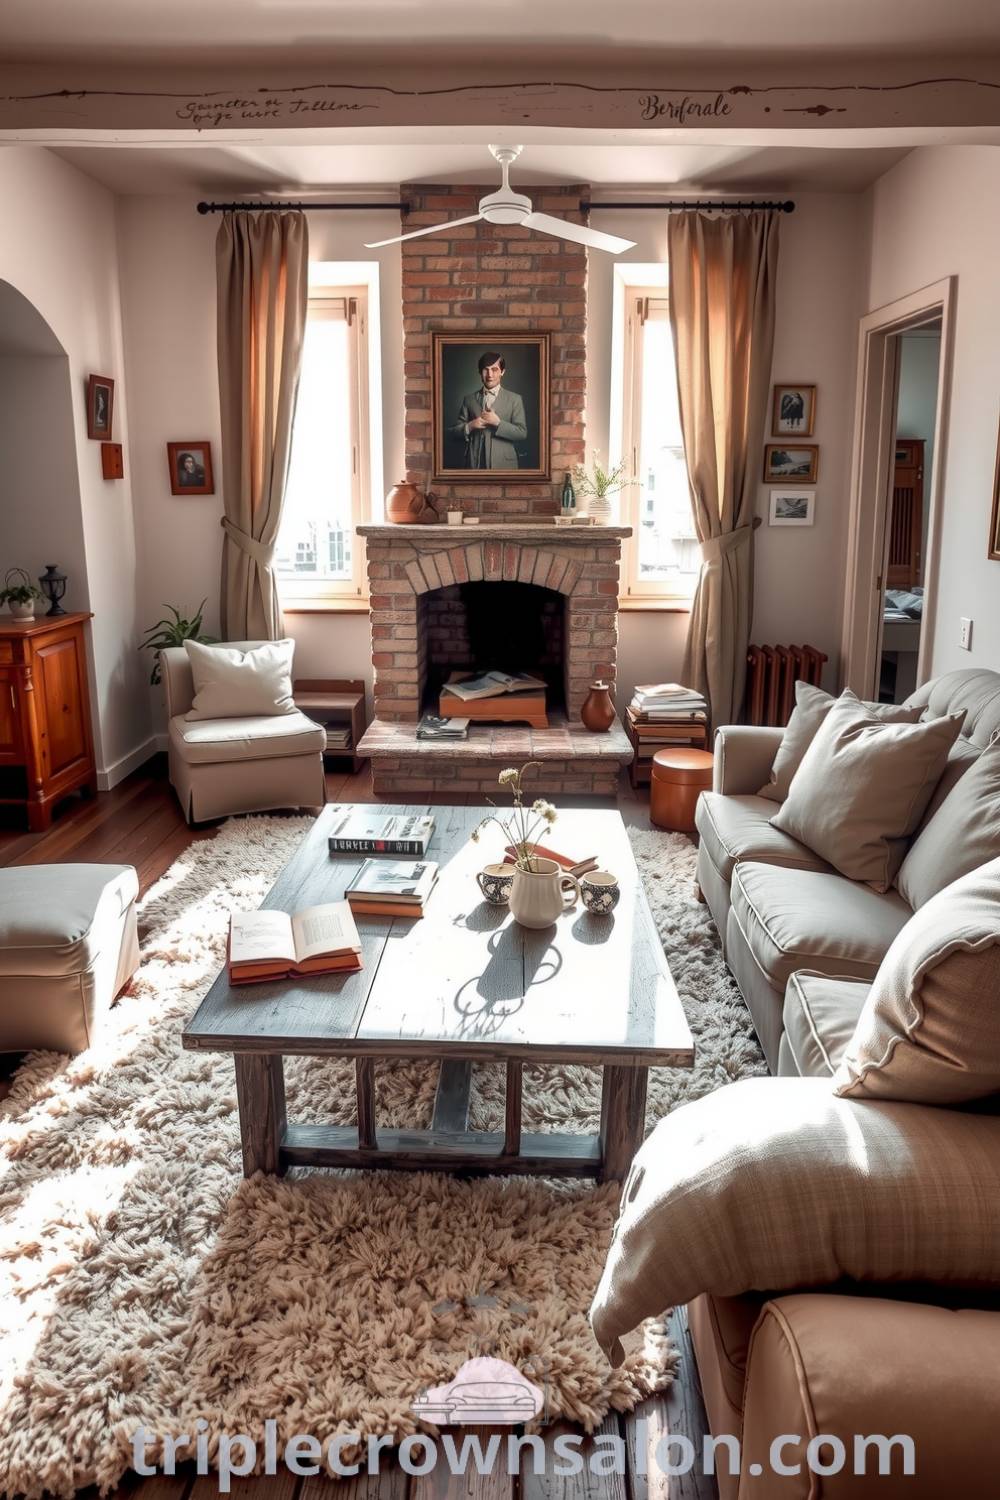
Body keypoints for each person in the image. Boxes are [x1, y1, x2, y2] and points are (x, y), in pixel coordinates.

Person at [451, 351, 527, 470]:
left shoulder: (515, 399)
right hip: (474, 464)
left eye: (494, 369)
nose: (489, 374)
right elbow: (454, 433)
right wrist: (470, 426)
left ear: (502, 372)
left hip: (504, 466)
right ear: (480, 372)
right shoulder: (468, 399)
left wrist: (498, 423)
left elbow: (522, 433)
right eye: (485, 369)